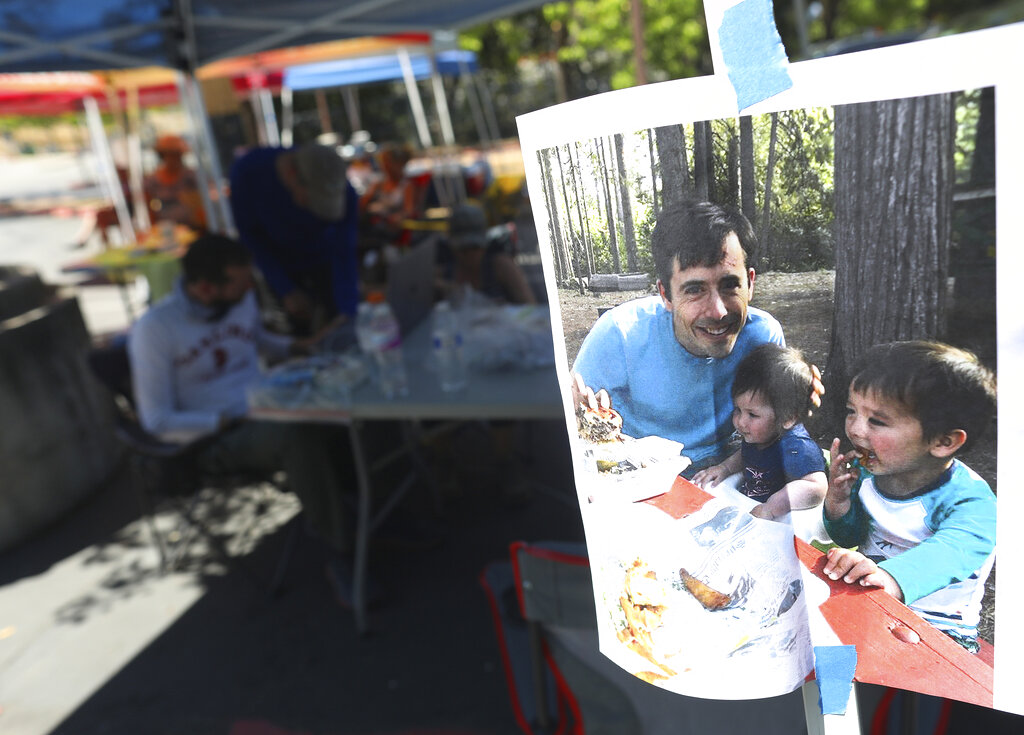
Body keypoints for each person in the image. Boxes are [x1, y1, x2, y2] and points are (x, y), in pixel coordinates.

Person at [128, 234, 354, 583]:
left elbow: (256, 339)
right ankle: (344, 552)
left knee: (349, 401)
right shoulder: (155, 329)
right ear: (205, 288)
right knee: (297, 434)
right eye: (241, 281)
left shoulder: (239, 300)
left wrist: (303, 346)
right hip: (216, 435)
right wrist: (228, 417)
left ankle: (367, 510)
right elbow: (157, 421)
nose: (251, 287)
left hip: (268, 403)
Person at [572, 200, 820, 474]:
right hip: (639, 476)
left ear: (750, 283)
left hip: (725, 472)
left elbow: (775, 423)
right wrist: (573, 412)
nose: (718, 311)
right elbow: (576, 431)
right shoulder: (619, 334)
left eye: (730, 285)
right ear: (665, 294)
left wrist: (796, 399)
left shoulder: (763, 336)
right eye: (694, 290)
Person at [821, 340, 996, 652]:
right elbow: (851, 536)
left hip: (938, 628)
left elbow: (950, 553)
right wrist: (839, 502)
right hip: (870, 596)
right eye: (852, 411)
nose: (856, 430)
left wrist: (889, 577)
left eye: (877, 420)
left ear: (943, 442)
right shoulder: (869, 472)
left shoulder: (973, 503)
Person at [229, 142, 359, 334]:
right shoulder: (249, 173)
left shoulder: (334, 179)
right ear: (291, 174)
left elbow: (344, 247)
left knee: (345, 326)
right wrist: (285, 289)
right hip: (280, 264)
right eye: (310, 202)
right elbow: (251, 238)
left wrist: (348, 308)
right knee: (299, 332)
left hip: (327, 260)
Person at [692, 343, 827, 521]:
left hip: (782, 520)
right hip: (750, 503)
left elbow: (817, 486)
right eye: (737, 410)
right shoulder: (759, 433)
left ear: (788, 418)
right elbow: (746, 453)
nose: (740, 421)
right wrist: (724, 467)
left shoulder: (797, 447)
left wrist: (773, 506)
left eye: (752, 414)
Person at [438, 202, 536, 305]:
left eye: (475, 247)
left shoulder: (500, 266)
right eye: (463, 249)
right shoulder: (445, 270)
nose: (470, 255)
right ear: (452, 247)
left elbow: (530, 306)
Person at [144, 134, 206, 231]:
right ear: (162, 155)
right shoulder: (152, 180)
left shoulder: (190, 176)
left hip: (193, 227)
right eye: (169, 154)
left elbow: (200, 204)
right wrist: (154, 229)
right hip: (167, 229)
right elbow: (149, 208)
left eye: (176, 154)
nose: (173, 158)